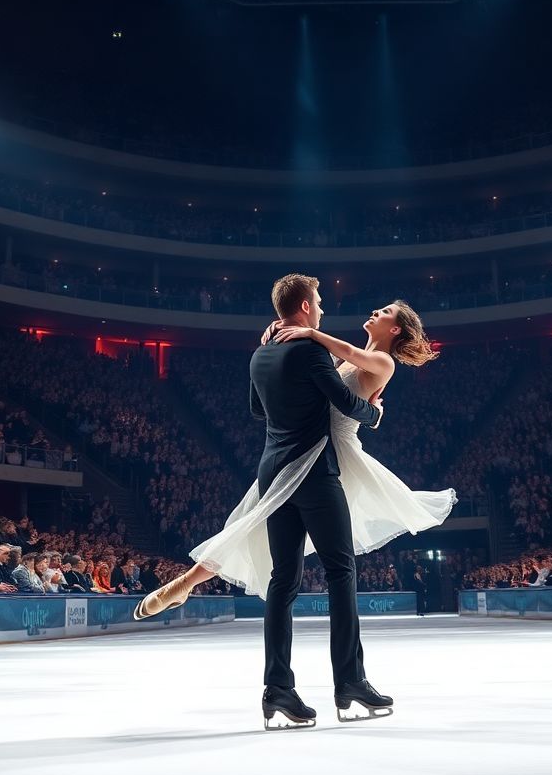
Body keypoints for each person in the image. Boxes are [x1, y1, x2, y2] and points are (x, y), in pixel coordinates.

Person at [137, 275, 454, 727]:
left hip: (291, 457)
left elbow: (271, 403)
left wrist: (302, 335)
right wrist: (371, 409)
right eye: (318, 303)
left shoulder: (371, 359)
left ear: (396, 330)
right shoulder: (315, 349)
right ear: (305, 306)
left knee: (270, 560)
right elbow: (344, 397)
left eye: (385, 312)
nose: (375, 312)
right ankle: (349, 683)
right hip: (319, 460)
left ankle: (276, 689)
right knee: (338, 570)